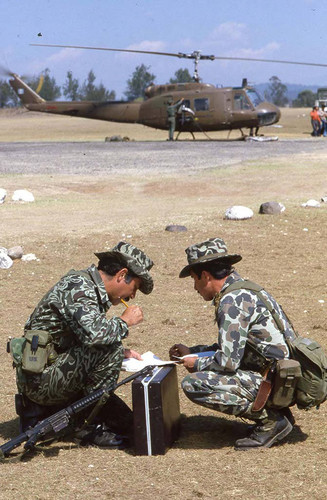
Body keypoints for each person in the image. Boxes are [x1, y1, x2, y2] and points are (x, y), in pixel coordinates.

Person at [15, 241, 154, 448]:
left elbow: (82, 337)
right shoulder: (78, 287)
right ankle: (88, 427)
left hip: (49, 373)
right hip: (40, 383)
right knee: (111, 349)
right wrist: (124, 322)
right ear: (122, 275)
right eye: (134, 288)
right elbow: (96, 337)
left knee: (130, 422)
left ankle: (84, 417)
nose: (132, 296)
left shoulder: (87, 287)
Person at [169, 237, 297, 451]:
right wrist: (193, 351)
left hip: (276, 381)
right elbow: (235, 347)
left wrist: (196, 363)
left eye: (195, 279)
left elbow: (228, 362)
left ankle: (272, 420)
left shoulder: (232, 301)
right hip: (282, 376)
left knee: (194, 384)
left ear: (206, 276)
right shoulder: (245, 290)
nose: (195, 287)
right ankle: (274, 413)